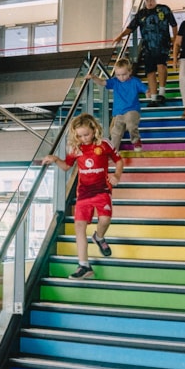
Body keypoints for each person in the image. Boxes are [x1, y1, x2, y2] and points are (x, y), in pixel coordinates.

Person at [41, 114, 124, 280]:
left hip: (102, 190)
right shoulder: (75, 149)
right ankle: (84, 265)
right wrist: (56, 159)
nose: (83, 138)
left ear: (94, 130)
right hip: (84, 193)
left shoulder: (104, 144)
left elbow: (119, 160)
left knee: (105, 220)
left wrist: (117, 175)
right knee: (79, 227)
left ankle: (99, 237)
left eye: (86, 134)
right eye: (79, 135)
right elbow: (66, 167)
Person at [113, 0, 178, 107]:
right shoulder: (141, 14)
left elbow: (174, 25)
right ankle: (153, 98)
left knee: (161, 66)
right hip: (148, 47)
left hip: (162, 45)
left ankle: (162, 93)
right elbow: (130, 28)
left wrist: (176, 40)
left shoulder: (164, 10)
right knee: (150, 72)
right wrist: (120, 36)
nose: (149, 2)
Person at [87, 56, 145, 152]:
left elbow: (144, 88)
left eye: (124, 74)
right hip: (118, 112)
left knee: (131, 124)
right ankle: (113, 151)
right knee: (115, 132)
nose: (121, 77)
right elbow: (102, 82)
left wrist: (147, 92)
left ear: (130, 72)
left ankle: (136, 140)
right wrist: (94, 77)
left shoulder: (135, 81)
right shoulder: (115, 82)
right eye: (118, 75)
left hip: (132, 110)